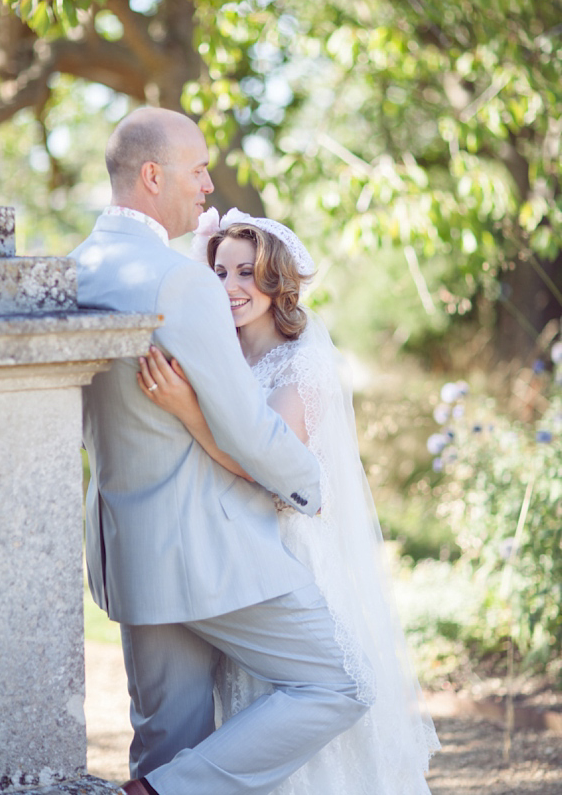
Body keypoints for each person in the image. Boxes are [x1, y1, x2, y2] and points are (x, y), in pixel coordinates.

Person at [70, 107, 370, 795]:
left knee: (166, 739)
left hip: (129, 549)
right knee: (339, 682)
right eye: (197, 169)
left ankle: (157, 783)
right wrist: (312, 482)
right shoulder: (180, 280)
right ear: (153, 175)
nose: (208, 186)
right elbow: (244, 426)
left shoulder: (78, 270)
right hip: (211, 551)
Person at [139, 206, 441, 795]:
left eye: (248, 273)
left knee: (312, 690)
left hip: (291, 549)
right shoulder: (220, 355)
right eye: (220, 272)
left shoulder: (306, 364)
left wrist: (187, 412)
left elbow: (266, 465)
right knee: (250, 699)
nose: (230, 288)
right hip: (231, 544)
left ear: (278, 283)